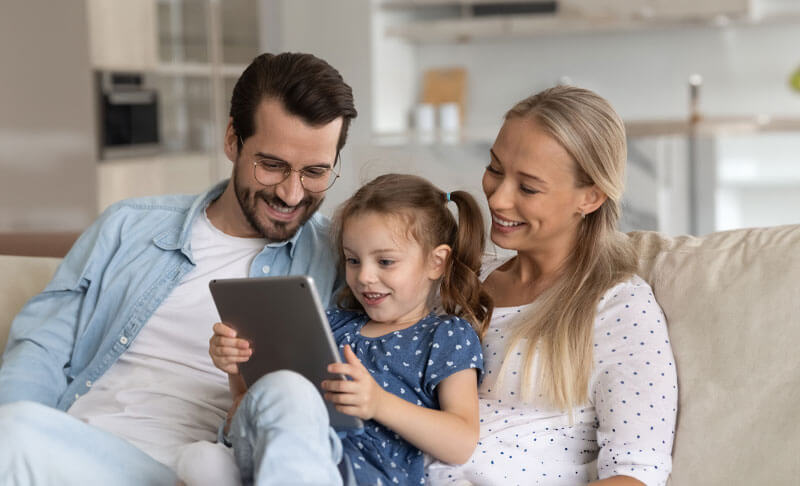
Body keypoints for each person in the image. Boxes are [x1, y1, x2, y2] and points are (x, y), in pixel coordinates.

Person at [0, 52, 356, 485]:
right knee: (12, 429)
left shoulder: (342, 257)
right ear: (232, 139)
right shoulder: (127, 227)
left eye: (315, 172)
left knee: (289, 392)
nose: (292, 193)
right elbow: (40, 348)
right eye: (273, 165)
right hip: (82, 459)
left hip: (210, 467)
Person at [425, 86, 678, 486]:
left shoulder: (618, 307)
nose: (498, 198)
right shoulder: (461, 284)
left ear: (591, 196)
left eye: (528, 187)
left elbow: (636, 473)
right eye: (494, 169)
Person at [209, 173, 494, 485]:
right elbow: (253, 403)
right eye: (353, 260)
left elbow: (461, 440)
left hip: (357, 474)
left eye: (385, 262)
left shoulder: (445, 335)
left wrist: (378, 403)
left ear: (436, 262)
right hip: (284, 453)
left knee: (207, 463)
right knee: (204, 457)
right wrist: (237, 366)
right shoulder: (333, 322)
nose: (364, 276)